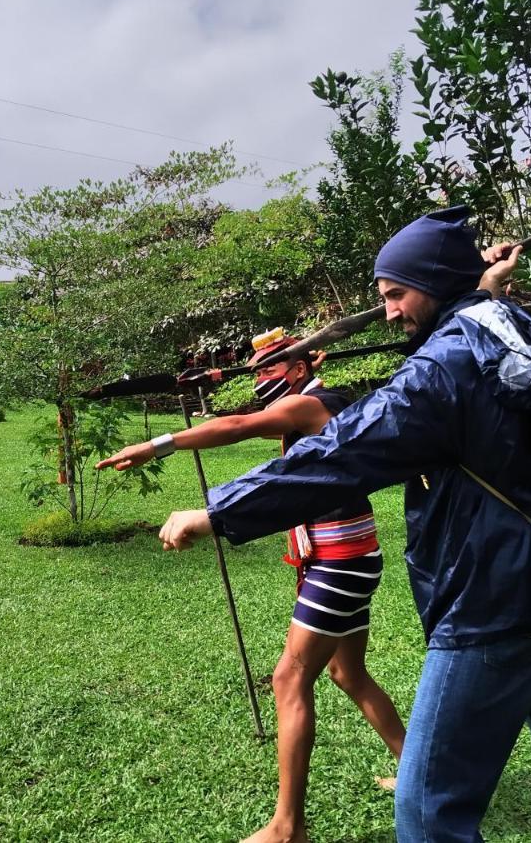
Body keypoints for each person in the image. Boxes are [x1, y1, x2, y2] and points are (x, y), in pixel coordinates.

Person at [157, 206, 531, 843]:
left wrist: (218, 510)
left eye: (397, 294)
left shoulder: (440, 372)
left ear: (436, 284)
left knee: (427, 811)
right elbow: (473, 329)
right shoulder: (505, 330)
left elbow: (344, 453)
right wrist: (484, 285)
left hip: (489, 605)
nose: (390, 311)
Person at [96, 328, 406, 843]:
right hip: (346, 554)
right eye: (257, 369)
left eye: (269, 368)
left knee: (289, 680)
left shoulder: (311, 407)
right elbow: (238, 425)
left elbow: (239, 424)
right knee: (347, 672)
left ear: (300, 368)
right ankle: (423, 776)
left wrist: (154, 445)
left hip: (339, 560)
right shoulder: (318, 406)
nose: (260, 378)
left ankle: (288, 828)